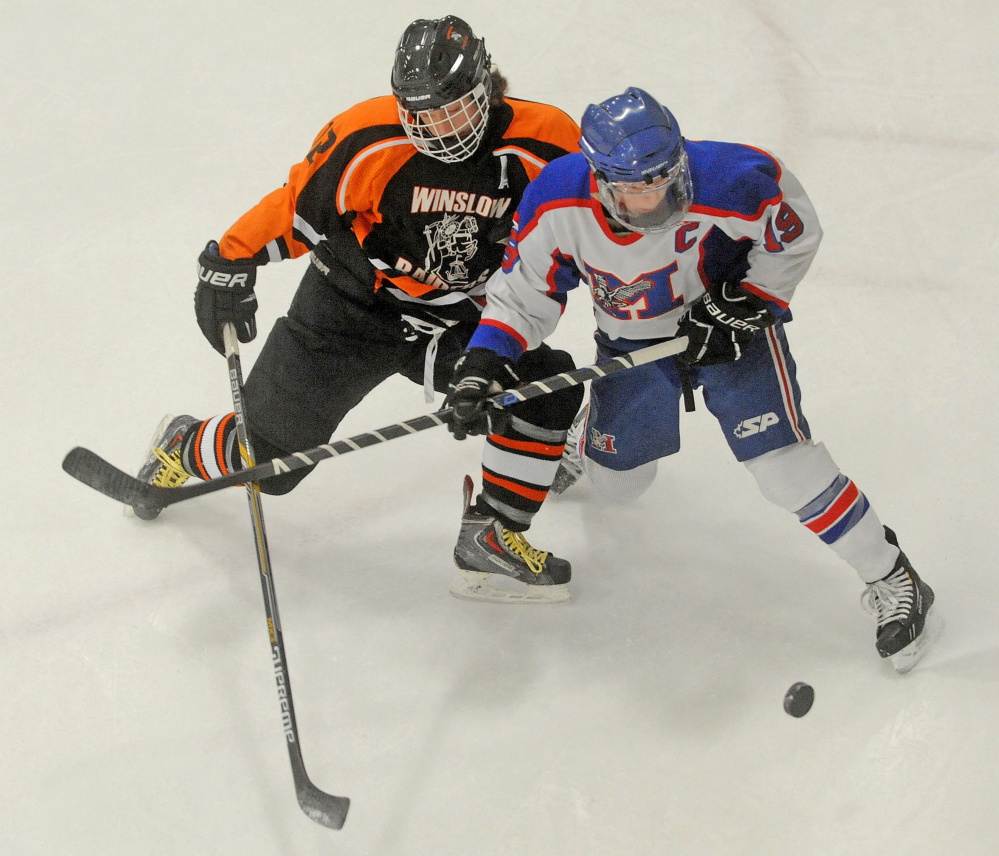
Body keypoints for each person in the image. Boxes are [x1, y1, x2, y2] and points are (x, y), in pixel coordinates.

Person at [446, 86, 939, 671]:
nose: (656, 197)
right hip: (632, 346)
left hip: (734, 339)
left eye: (663, 178)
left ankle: (889, 572)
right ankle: (587, 441)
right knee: (620, 486)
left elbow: (796, 231)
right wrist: (481, 365)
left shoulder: (732, 176)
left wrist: (745, 301)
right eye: (637, 187)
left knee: (783, 470)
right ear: (601, 181)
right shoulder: (557, 201)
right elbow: (522, 296)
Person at [132, 16, 584, 603]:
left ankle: (494, 532)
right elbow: (298, 207)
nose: (436, 129)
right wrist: (230, 258)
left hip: (463, 320)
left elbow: (580, 226)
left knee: (545, 392)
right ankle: (183, 443)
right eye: (419, 113)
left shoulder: (548, 141)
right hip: (352, 307)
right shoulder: (367, 136)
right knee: (272, 464)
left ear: (484, 89)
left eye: (450, 109)